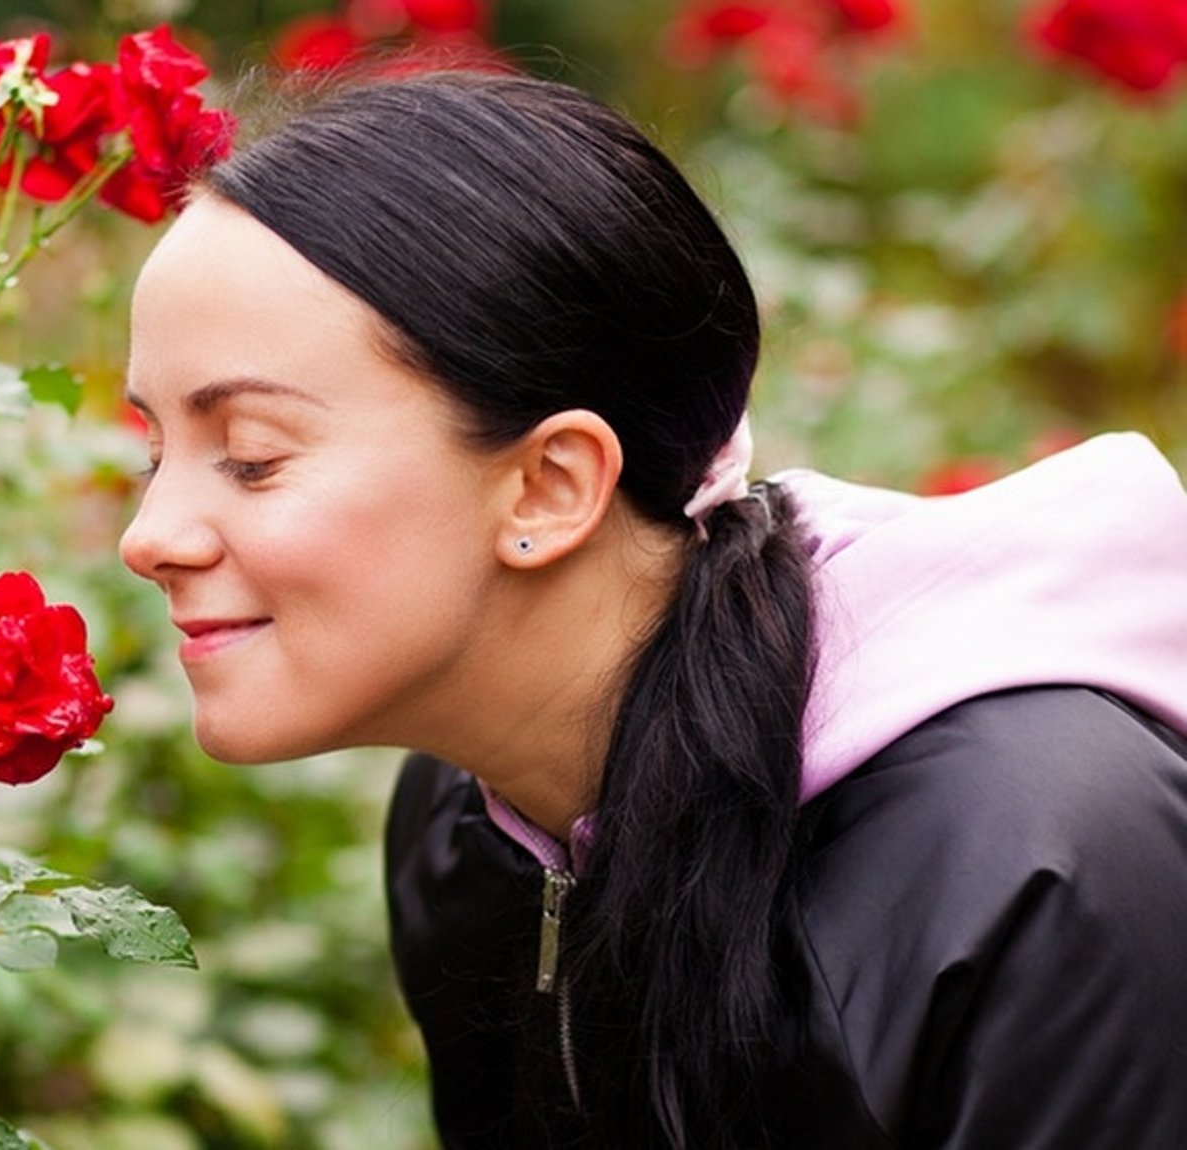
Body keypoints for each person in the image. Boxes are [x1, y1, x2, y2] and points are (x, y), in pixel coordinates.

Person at [117, 68, 1187, 1149]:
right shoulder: (464, 828)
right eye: (155, 451)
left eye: (250, 458)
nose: (147, 535)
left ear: (548, 484)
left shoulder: (1028, 858)